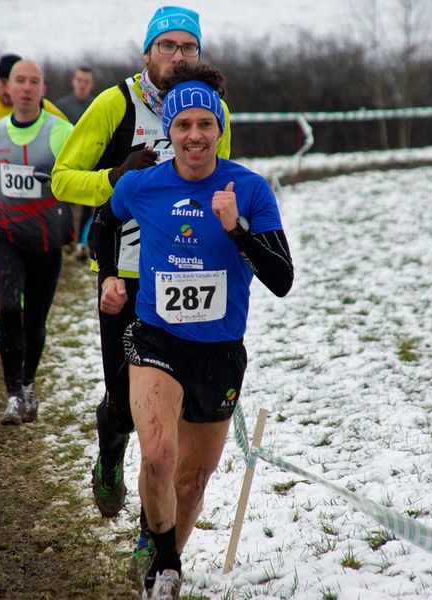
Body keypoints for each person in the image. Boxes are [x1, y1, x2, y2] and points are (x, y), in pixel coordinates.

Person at [93, 63, 294, 599]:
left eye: (205, 124)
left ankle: (161, 552)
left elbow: (282, 279)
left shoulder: (248, 190)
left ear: (219, 129)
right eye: (183, 125)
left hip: (220, 352)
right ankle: (166, 570)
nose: (195, 135)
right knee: (157, 454)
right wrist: (111, 273)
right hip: (157, 339)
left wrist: (238, 230)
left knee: (190, 482)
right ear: (169, 130)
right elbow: (102, 224)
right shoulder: (141, 185)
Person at [51, 4, 232, 577]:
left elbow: (219, 186)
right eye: (168, 47)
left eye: (189, 48)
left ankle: (151, 538)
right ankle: (109, 454)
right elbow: (62, 179)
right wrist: (115, 179)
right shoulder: (116, 104)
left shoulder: (214, 107)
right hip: (125, 276)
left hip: (185, 278)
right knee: (127, 409)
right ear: (147, 52)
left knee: (170, 426)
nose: (179, 57)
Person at [0, 59, 73, 426]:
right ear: (7, 89)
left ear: (43, 89)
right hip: (4, 230)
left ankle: (27, 382)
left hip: (45, 235)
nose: (26, 88)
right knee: (9, 307)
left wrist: (60, 178)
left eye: (34, 81)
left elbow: (78, 170)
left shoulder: (60, 131)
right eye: (20, 81)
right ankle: (12, 395)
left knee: (35, 319)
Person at [55, 66, 96, 259]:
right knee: (65, 202)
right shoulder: (61, 106)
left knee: (88, 206)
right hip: (66, 163)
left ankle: (82, 242)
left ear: (91, 84)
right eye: (79, 80)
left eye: (86, 82)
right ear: (73, 81)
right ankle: (65, 240)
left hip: (90, 163)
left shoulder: (96, 105)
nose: (82, 85)